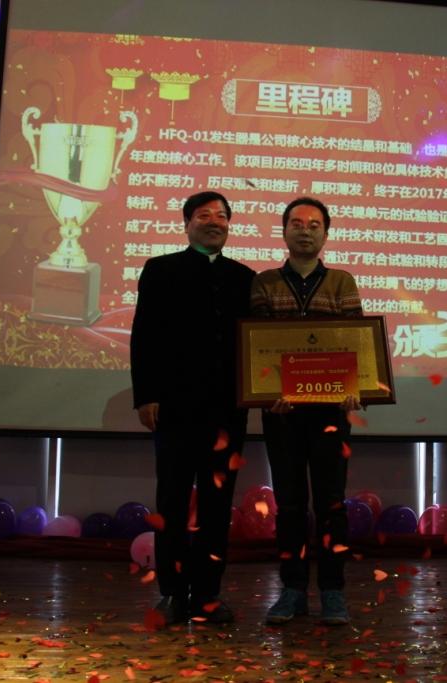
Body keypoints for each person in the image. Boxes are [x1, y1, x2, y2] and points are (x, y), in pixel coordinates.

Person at [130, 191, 255, 625]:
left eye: (222, 216)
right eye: (204, 215)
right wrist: (145, 395)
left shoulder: (245, 277)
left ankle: (207, 594)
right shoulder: (161, 269)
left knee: (218, 506)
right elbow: (144, 336)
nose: (214, 221)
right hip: (174, 409)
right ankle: (171, 593)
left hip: (226, 411)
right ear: (187, 224)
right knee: (172, 501)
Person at [250, 196, 363, 625]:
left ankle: (333, 592)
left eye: (314, 224)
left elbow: (354, 341)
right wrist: (267, 391)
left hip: (331, 413)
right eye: (296, 223)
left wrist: (354, 386)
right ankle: (292, 590)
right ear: (284, 231)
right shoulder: (263, 283)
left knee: (332, 505)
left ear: (325, 234)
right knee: (291, 506)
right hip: (282, 413)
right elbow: (259, 345)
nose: (305, 230)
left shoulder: (342, 282)